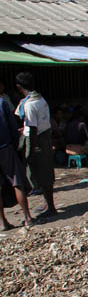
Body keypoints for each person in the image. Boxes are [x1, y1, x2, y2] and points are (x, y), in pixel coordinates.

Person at [15, 72, 56, 217]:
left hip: (37, 140)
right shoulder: (40, 99)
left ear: (19, 87)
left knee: (41, 173)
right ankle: (48, 204)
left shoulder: (30, 104)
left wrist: (30, 150)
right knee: (45, 173)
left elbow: (33, 128)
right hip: (43, 137)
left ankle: (50, 206)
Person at [0, 95, 34, 230]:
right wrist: (16, 145)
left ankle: (2, 222)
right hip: (5, 147)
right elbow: (12, 127)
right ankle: (27, 217)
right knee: (17, 180)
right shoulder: (2, 102)